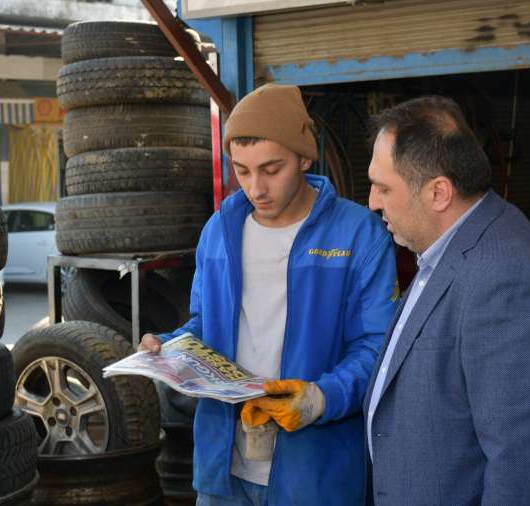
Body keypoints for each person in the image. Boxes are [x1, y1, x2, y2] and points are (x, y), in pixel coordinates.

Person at [139, 83, 398, 506]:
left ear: (304, 157)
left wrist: (320, 398)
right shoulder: (219, 231)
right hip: (224, 470)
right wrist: (170, 348)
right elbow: (206, 323)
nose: (255, 187)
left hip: (315, 473)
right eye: (241, 170)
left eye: (271, 169)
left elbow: (379, 346)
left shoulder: (358, 234)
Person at [364, 96, 530, 505]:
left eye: (384, 187)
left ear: (439, 193)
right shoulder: (449, 248)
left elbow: (519, 467)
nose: (372, 201)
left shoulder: (505, 278)